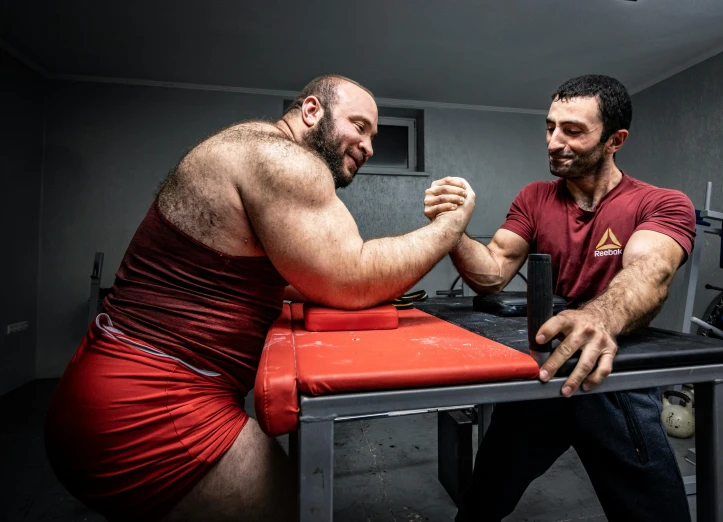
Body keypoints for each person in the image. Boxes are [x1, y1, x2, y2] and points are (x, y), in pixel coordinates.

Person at [44, 74, 475, 522]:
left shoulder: (248, 146)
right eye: (359, 126)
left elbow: (294, 278)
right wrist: (451, 226)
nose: (368, 145)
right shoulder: (282, 158)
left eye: (374, 136)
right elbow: (352, 277)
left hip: (108, 387)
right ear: (312, 111)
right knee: (297, 509)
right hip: (146, 409)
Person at [424, 75, 696, 522]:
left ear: (615, 140)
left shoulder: (661, 203)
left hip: (612, 374)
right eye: (550, 127)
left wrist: (599, 317)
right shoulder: (534, 198)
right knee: (483, 498)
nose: (553, 141)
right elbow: (492, 272)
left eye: (572, 130)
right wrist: (452, 230)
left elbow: (649, 273)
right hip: (546, 371)